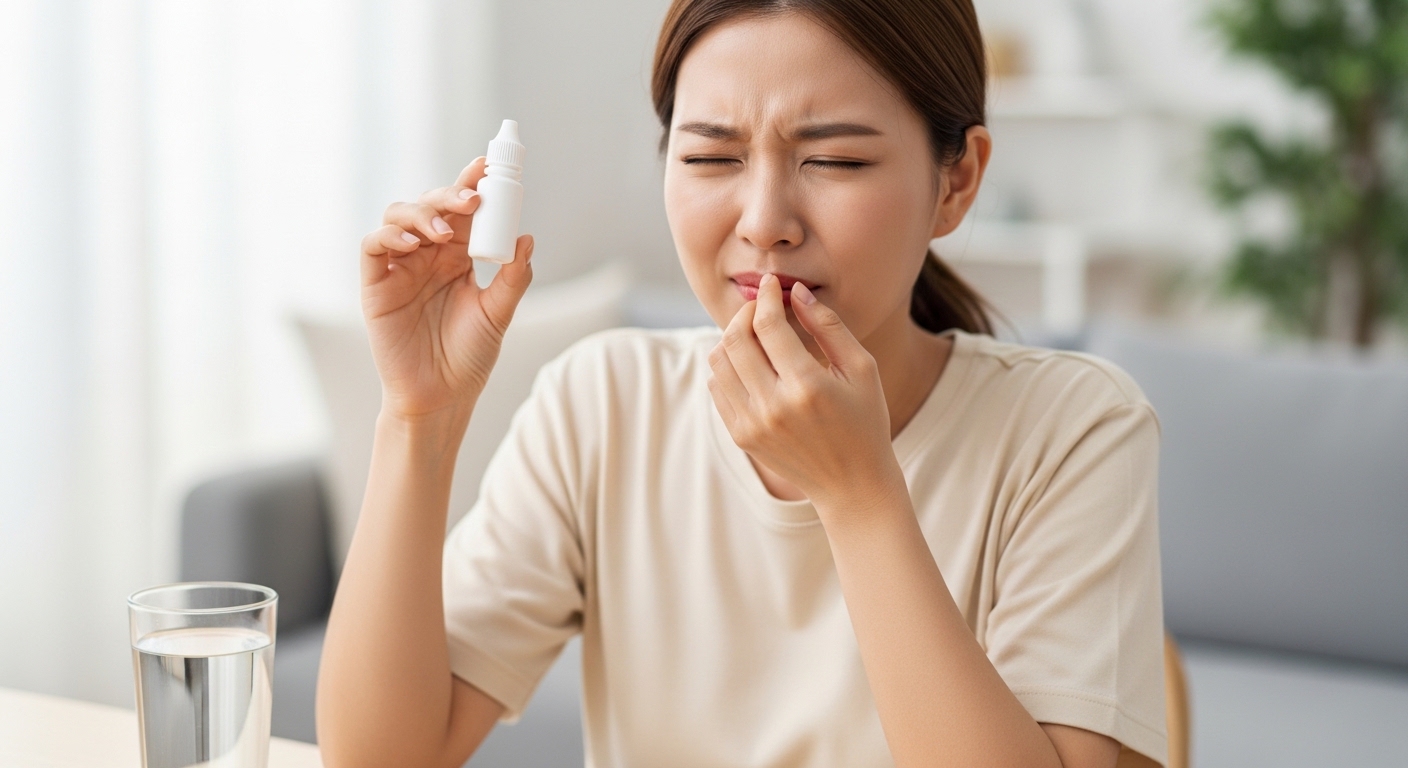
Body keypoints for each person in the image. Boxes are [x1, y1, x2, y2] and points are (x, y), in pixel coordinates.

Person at [316, 1, 1168, 766]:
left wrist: (860, 494)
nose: (764, 221)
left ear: (957, 181)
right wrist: (418, 417)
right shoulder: (604, 405)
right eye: (712, 158)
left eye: (833, 159)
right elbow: (382, 756)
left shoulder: (1075, 429)